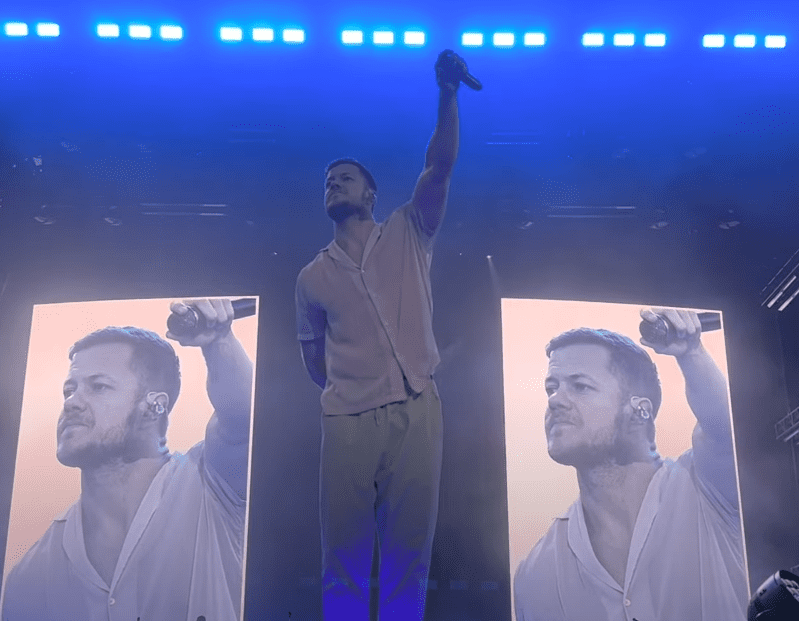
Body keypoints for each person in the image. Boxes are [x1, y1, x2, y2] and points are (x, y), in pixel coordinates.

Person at [294, 50, 467, 620]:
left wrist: (447, 95)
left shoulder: (409, 229)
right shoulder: (312, 276)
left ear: (370, 194)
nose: (333, 184)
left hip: (417, 406)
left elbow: (439, 166)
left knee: (408, 555)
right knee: (342, 556)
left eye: (345, 178)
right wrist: (354, 388)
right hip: (348, 417)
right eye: (327, 181)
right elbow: (313, 360)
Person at [1, 298, 253, 621]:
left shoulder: (212, 486)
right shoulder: (27, 580)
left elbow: (243, 417)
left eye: (98, 386)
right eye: (69, 389)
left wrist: (219, 342)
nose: (72, 402)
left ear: (155, 406)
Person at [514, 308, 748, 621]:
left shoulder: (705, 487)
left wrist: (691, 353)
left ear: (640, 411)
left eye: (580, 385)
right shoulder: (534, 575)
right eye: (551, 388)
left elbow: (725, 427)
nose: (554, 400)